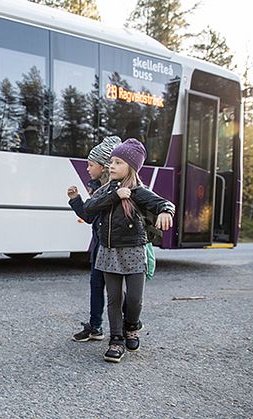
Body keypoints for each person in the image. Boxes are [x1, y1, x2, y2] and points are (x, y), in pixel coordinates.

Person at [82, 138, 175, 363]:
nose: (112, 166)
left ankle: (131, 326)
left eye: (118, 162)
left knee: (134, 299)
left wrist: (166, 212)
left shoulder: (138, 191)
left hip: (134, 251)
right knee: (113, 298)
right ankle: (116, 340)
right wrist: (115, 195)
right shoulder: (106, 190)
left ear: (131, 167)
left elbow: (163, 203)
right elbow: (89, 208)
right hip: (109, 252)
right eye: (111, 161)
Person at [67, 135, 122, 342]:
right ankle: (95, 326)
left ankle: (127, 326)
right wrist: (76, 201)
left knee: (116, 291)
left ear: (104, 167)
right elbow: (89, 217)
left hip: (113, 247)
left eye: (91, 165)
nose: (88, 169)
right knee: (96, 285)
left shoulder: (114, 189)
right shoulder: (95, 187)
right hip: (98, 246)